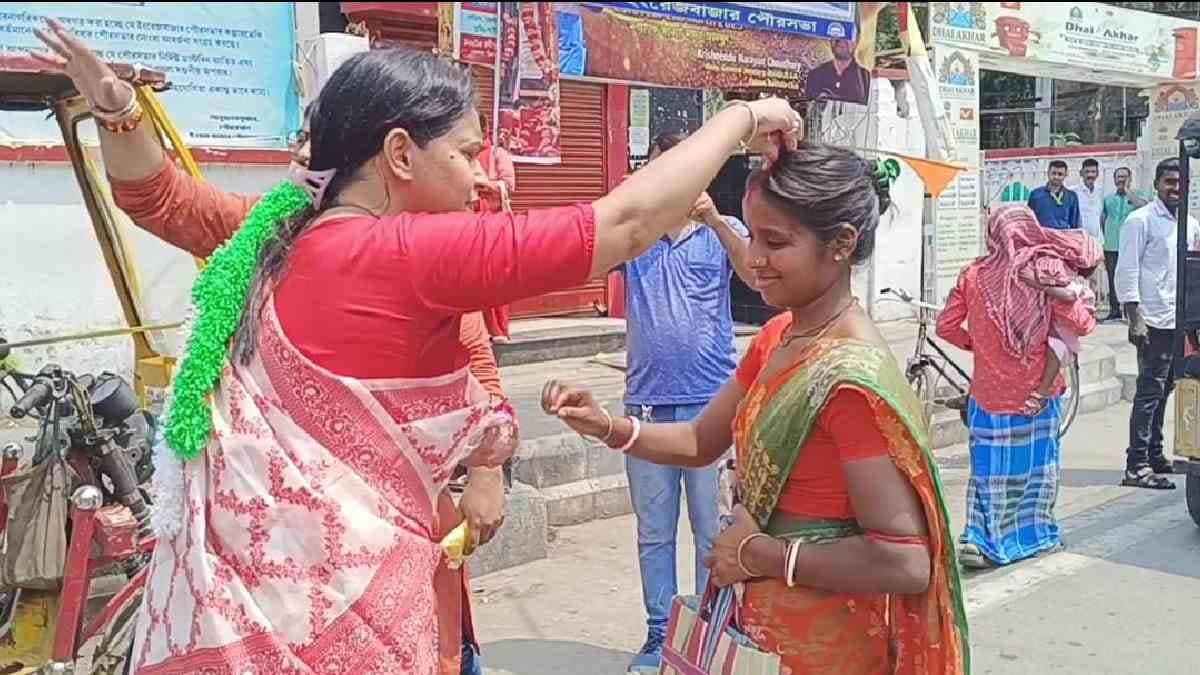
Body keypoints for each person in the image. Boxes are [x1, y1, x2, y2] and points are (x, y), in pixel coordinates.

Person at [39, 29, 801, 672]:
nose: (479, 179)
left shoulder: (280, 235)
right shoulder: (409, 253)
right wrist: (742, 115)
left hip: (234, 627)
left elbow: (160, 199)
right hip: (347, 621)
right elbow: (627, 223)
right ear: (400, 154)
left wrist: (119, 114)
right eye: (466, 154)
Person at [31, 20, 507, 675]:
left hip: (404, 560)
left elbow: (482, 379)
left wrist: (487, 474)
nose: (478, 177)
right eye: (467, 153)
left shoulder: (440, 261)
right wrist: (118, 113)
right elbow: (165, 201)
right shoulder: (279, 240)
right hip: (288, 572)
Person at [543, 144, 968, 674]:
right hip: (758, 635)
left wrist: (759, 556)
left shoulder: (849, 383)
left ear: (841, 244)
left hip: (825, 649)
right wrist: (606, 425)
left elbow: (905, 562)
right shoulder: (778, 337)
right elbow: (700, 441)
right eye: (754, 236)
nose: (755, 258)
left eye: (775, 242)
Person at [618, 131, 754, 673]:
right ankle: (657, 634)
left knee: (709, 531)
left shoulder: (725, 232)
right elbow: (588, 244)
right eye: (662, 167)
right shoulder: (636, 235)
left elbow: (753, 275)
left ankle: (700, 636)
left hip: (711, 408)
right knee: (654, 532)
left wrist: (717, 221)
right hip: (647, 407)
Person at [937, 205, 1098, 569]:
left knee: (989, 474)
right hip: (1038, 398)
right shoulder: (1041, 273)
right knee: (1037, 472)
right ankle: (1034, 537)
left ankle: (980, 540)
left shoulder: (973, 275)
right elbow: (1081, 324)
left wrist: (978, 344)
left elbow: (946, 326)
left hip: (988, 396)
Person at [1115, 158, 1200, 490]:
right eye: (1169, 182)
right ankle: (1136, 465)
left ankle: (1155, 454)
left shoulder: (1190, 224)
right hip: (1153, 320)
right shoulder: (1140, 221)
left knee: (1168, 388)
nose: (1175, 188)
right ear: (1156, 184)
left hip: (1180, 321)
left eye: (1180, 183)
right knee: (1149, 392)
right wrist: (1134, 318)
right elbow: (1127, 270)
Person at [1017, 250, 1101, 416]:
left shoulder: (1075, 282)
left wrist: (1039, 284)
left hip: (1066, 327)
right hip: (1056, 322)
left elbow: (1069, 296)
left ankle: (1042, 391)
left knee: (1055, 350)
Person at [476, 111, 518, 344]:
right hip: (469, 223)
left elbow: (509, 184)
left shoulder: (496, 153)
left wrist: (487, 185)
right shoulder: (462, 154)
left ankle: (498, 330)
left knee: (496, 279)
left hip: (493, 226)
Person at [1100, 167, 1148, 321]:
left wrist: (1127, 190)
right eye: (1118, 177)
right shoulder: (1108, 198)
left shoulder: (1138, 195)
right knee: (1113, 277)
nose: (1121, 179)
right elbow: (1103, 219)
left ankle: (1133, 312)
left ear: (1130, 178)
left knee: (1132, 277)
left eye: (1124, 177)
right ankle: (1115, 310)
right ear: (1114, 179)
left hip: (1132, 245)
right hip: (1111, 245)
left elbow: (1143, 207)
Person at [803, 37, 870, 103]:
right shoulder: (814, 75)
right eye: (837, 33)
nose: (842, 39)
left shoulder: (867, 78)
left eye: (848, 34)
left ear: (857, 41)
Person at [1027, 160, 1080, 231]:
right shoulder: (1036, 194)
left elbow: (1074, 224)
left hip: (1063, 238)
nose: (1056, 177)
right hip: (1043, 237)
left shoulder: (1071, 196)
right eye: (1053, 173)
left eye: (1060, 174)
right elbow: (1030, 220)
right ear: (1048, 173)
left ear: (1065, 175)